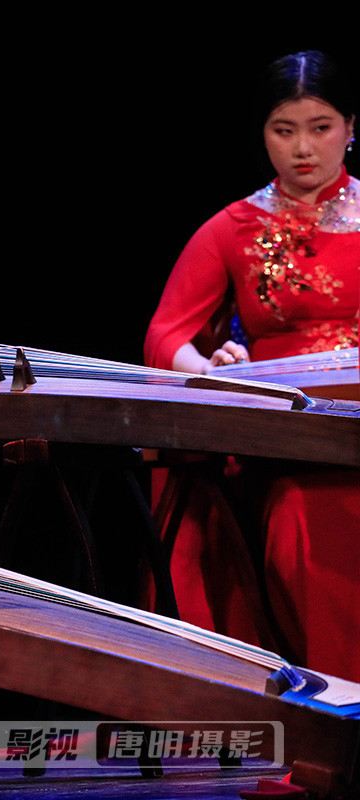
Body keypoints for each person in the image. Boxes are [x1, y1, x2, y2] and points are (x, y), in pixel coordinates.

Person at [144, 50, 360, 682]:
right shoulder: (234, 226)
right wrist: (210, 368)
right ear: (263, 133)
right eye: (283, 129)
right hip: (290, 439)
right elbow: (166, 336)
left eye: (320, 127)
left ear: (351, 127)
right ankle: (331, 707)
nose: (303, 148)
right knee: (301, 521)